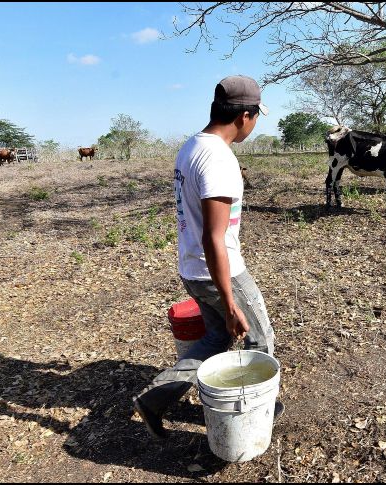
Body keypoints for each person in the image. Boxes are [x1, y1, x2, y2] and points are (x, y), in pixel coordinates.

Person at [133, 75, 282, 439]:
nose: (255, 124)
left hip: (192, 268)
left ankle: (155, 398)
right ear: (245, 116)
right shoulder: (218, 159)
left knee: (216, 338)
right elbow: (214, 237)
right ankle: (251, 411)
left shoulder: (192, 146)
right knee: (260, 338)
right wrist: (230, 303)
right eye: (256, 117)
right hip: (220, 272)